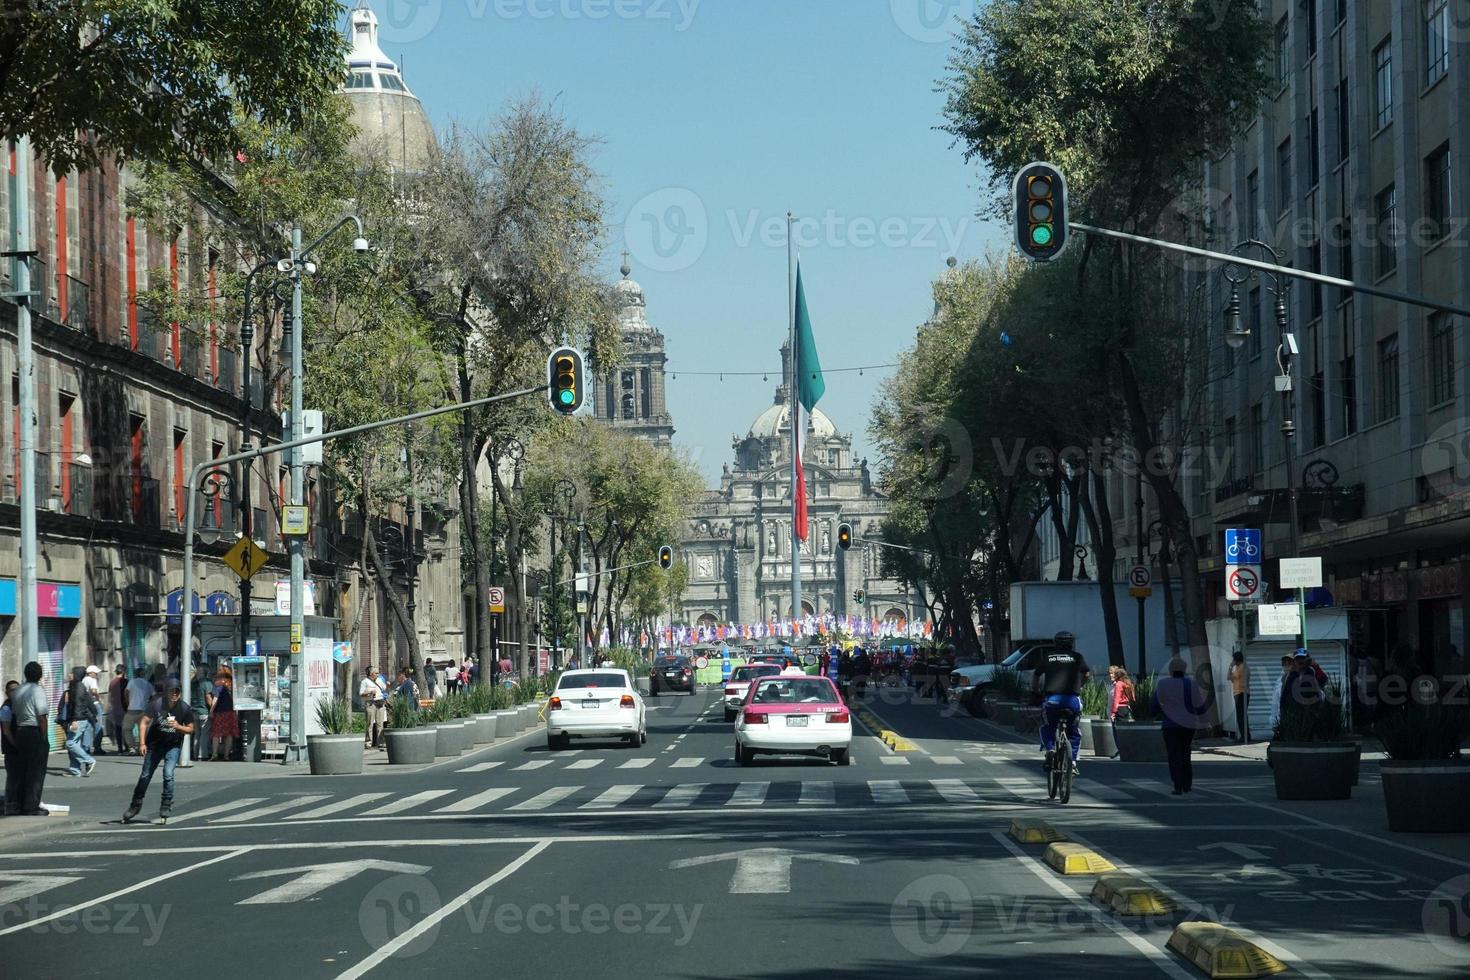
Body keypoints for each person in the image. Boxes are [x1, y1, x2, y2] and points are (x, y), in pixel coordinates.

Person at [123, 682, 196, 823]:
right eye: (171, 691)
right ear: (166, 692)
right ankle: (135, 805)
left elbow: (191, 729)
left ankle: (166, 805)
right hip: (155, 745)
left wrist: (178, 726)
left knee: (168, 774)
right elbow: (143, 722)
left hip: (172, 746)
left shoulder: (184, 708)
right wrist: (142, 743)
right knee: (145, 775)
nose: (174, 694)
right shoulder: (157, 704)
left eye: (177, 692)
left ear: (180, 693)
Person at [1033, 631, 1090, 775]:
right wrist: (1080, 685)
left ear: (1055, 643)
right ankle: (1073, 762)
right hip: (1072, 700)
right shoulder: (1078, 657)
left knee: (1047, 726)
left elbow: (1036, 674)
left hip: (1052, 699)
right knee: (1074, 732)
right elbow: (1086, 674)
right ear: (1071, 643)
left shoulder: (1048, 657)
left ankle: (1051, 749)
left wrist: (1036, 691)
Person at [1150, 658, 1205, 795]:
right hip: (1188, 724)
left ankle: (1177, 784)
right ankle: (1187, 784)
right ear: (1185, 670)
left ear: (1170, 671)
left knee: (1174, 755)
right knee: (1186, 753)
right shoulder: (1191, 684)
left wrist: (1157, 713)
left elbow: (1155, 705)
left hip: (1170, 725)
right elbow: (1199, 705)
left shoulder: (1163, 684)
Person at [8, 662, 50, 815]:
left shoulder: (18, 690)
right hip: (34, 732)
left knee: (23, 769)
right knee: (36, 771)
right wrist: (44, 737)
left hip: (20, 731)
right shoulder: (37, 691)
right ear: (40, 675)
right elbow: (42, 716)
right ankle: (31, 806)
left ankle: (20, 803)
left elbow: (14, 712)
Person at [63, 666, 98, 777]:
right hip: (77, 718)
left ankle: (89, 760)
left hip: (78, 719)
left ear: (76, 674)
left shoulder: (78, 687)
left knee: (70, 743)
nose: (69, 674)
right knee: (75, 743)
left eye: (72, 673)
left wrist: (74, 720)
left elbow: (78, 705)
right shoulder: (74, 686)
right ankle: (75, 770)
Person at [207, 666, 238, 761]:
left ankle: (215, 754)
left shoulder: (218, 684)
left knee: (216, 733)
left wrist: (211, 710)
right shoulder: (232, 683)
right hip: (230, 711)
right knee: (229, 734)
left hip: (219, 712)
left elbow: (215, 698)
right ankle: (226, 755)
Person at [1, 680, 20, 814]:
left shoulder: (17, 705)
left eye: (17, 689)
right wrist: (15, 744)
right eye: (12, 690)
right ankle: (10, 804)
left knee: (17, 777)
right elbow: (6, 730)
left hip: (18, 748)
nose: (15, 692)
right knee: (13, 777)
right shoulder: (7, 708)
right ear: (7, 692)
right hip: (11, 748)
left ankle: (16, 803)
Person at [123, 667, 153, 750]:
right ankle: (142, 746)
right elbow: (154, 696)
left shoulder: (132, 682)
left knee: (127, 728)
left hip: (132, 709)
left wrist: (127, 703)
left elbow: (126, 692)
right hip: (144, 710)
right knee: (143, 728)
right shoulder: (148, 684)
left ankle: (131, 747)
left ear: (136, 674)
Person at [360, 666, 387, 749]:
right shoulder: (365, 682)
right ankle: (368, 743)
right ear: (371, 674)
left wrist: (385, 684)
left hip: (380, 703)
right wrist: (369, 692)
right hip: (370, 703)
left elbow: (384, 688)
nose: (378, 674)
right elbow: (361, 693)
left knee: (380, 724)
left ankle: (381, 742)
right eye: (376, 673)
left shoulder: (379, 680)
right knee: (369, 724)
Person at [1228, 651, 1250, 742]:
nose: (1233, 661)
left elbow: (1228, 677)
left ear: (1236, 659)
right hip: (1240, 693)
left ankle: (1245, 736)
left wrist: (1230, 666)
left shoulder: (1241, 668)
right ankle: (1246, 735)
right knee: (1242, 716)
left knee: (1241, 716)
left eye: (1234, 659)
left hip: (1241, 693)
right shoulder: (1242, 667)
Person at [1268, 655, 1293, 732]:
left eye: (1288, 663)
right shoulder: (1279, 681)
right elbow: (1275, 703)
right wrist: (1274, 722)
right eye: (1284, 664)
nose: (1286, 666)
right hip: (1283, 720)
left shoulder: (1300, 679)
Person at [107, 665, 129, 753]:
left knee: (118, 728)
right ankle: (127, 747)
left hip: (115, 708)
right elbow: (128, 695)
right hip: (125, 707)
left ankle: (120, 748)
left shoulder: (112, 682)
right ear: (123, 672)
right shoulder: (126, 682)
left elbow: (110, 696)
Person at [83, 665, 104, 754]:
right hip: (94, 704)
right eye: (95, 673)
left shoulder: (83, 680)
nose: (96, 675)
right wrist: (98, 699)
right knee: (98, 726)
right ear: (91, 673)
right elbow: (94, 691)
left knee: (88, 726)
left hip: (87, 705)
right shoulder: (92, 680)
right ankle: (97, 747)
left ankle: (86, 747)